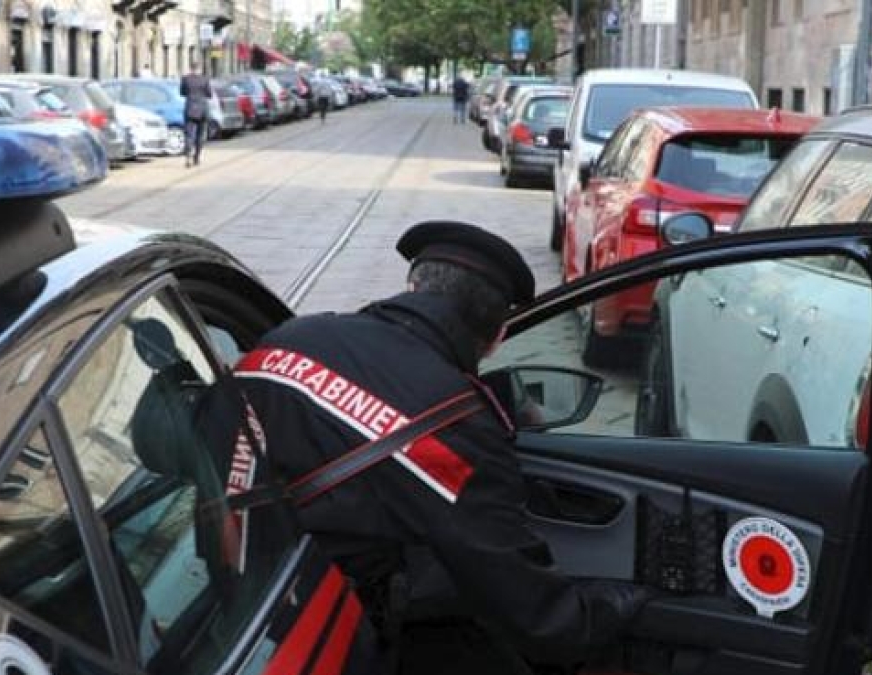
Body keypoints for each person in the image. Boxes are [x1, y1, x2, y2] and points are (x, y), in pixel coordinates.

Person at [234, 221, 651, 673]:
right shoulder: (460, 426)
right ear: (497, 338)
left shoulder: (288, 339)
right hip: (319, 632)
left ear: (413, 286)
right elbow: (531, 608)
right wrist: (619, 604)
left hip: (230, 589)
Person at [179, 60, 212, 168]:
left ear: (190, 68)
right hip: (203, 109)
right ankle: (197, 157)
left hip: (190, 109)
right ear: (199, 69)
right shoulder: (205, 79)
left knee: (189, 134)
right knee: (200, 135)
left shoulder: (185, 79)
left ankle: (188, 156)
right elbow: (209, 94)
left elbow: (182, 92)